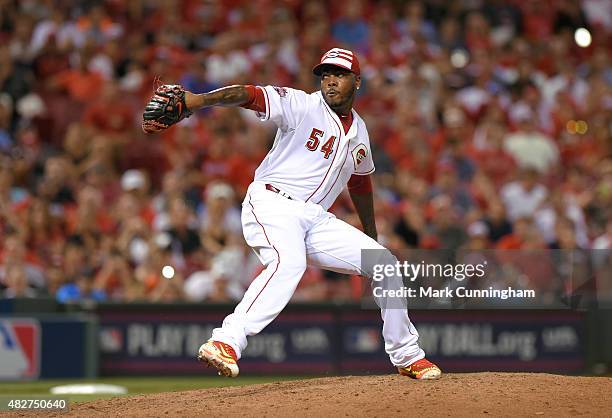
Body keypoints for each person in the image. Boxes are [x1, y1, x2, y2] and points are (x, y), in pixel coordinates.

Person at [146, 48, 441, 380]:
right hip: (273, 203)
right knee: (290, 262)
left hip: (314, 218)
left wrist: (370, 234)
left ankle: (406, 355)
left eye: (339, 74)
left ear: (357, 82)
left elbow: (360, 182)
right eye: (326, 74)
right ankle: (226, 341)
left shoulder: (359, 130)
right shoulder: (302, 105)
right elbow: (249, 94)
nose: (330, 80)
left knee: (383, 262)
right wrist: (198, 101)